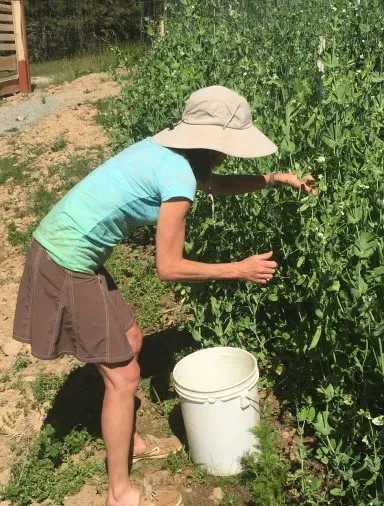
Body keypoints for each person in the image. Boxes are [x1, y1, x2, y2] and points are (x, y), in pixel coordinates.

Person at [12, 86, 315, 506]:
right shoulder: (177, 177)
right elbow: (169, 267)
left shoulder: (169, 150)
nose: (230, 154)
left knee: (132, 343)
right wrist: (238, 270)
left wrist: (273, 179)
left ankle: (130, 440)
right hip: (63, 263)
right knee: (125, 376)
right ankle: (120, 492)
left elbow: (213, 184)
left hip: (67, 251)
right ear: (211, 141)